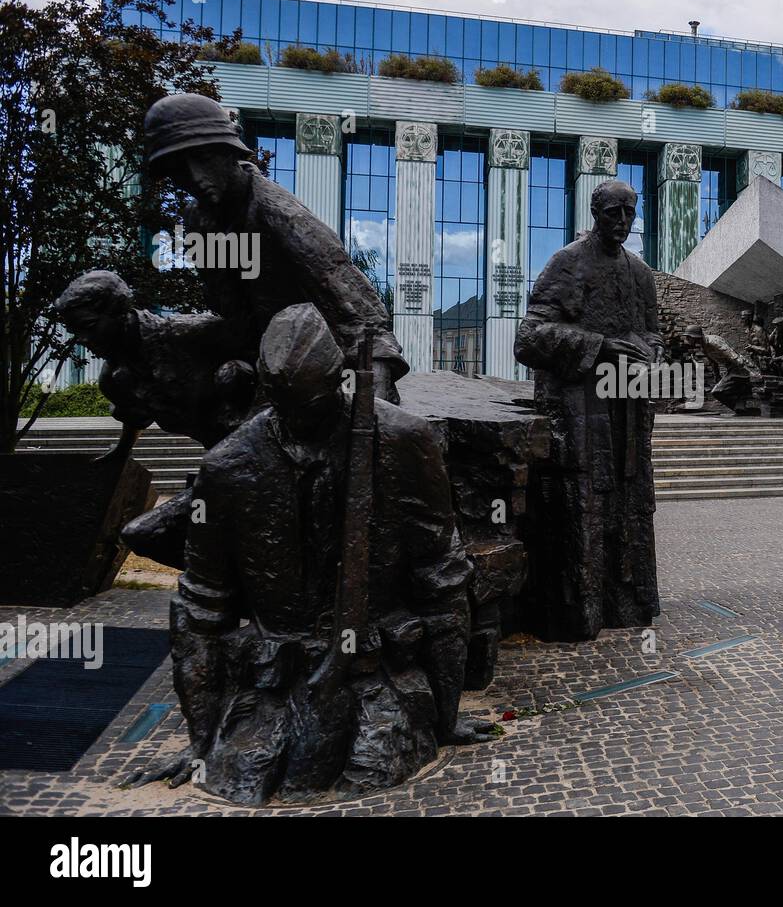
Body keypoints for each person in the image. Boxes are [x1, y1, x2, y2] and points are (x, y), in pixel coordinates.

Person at [124, 304, 488, 804]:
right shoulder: (227, 466)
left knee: (372, 762)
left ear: (339, 380)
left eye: (311, 405)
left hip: (377, 670)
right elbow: (200, 609)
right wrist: (201, 741)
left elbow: (443, 582)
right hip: (271, 676)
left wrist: (446, 718)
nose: (298, 420)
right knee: (242, 774)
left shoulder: (405, 440)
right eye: (284, 404)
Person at [142, 92, 407, 403]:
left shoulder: (279, 213)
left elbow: (351, 298)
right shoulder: (197, 220)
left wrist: (375, 377)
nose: (195, 178)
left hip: (308, 359)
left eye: (203, 158)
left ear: (229, 152)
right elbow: (226, 306)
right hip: (254, 351)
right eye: (178, 169)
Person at [514, 180, 663, 641]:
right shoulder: (567, 262)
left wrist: (651, 354)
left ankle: (627, 603)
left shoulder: (640, 273)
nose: (623, 221)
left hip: (628, 408)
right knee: (585, 506)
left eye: (630, 213)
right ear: (596, 213)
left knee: (630, 505)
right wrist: (600, 346)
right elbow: (529, 338)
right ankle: (580, 612)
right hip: (580, 408)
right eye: (614, 212)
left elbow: (653, 333)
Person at [53, 270, 254, 459]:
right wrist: (122, 451)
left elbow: (258, 346)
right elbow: (133, 416)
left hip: (260, 434)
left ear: (118, 311)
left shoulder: (188, 334)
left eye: (89, 326)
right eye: (75, 331)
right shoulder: (113, 381)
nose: (83, 339)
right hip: (228, 454)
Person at [681, 324, 762, 413]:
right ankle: (740, 408)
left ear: (695, 336)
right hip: (732, 369)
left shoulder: (713, 342)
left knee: (717, 392)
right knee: (721, 392)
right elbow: (713, 362)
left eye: (688, 337)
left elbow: (733, 356)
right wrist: (717, 376)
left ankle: (741, 407)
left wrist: (751, 371)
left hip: (739, 368)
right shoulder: (704, 347)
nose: (687, 340)